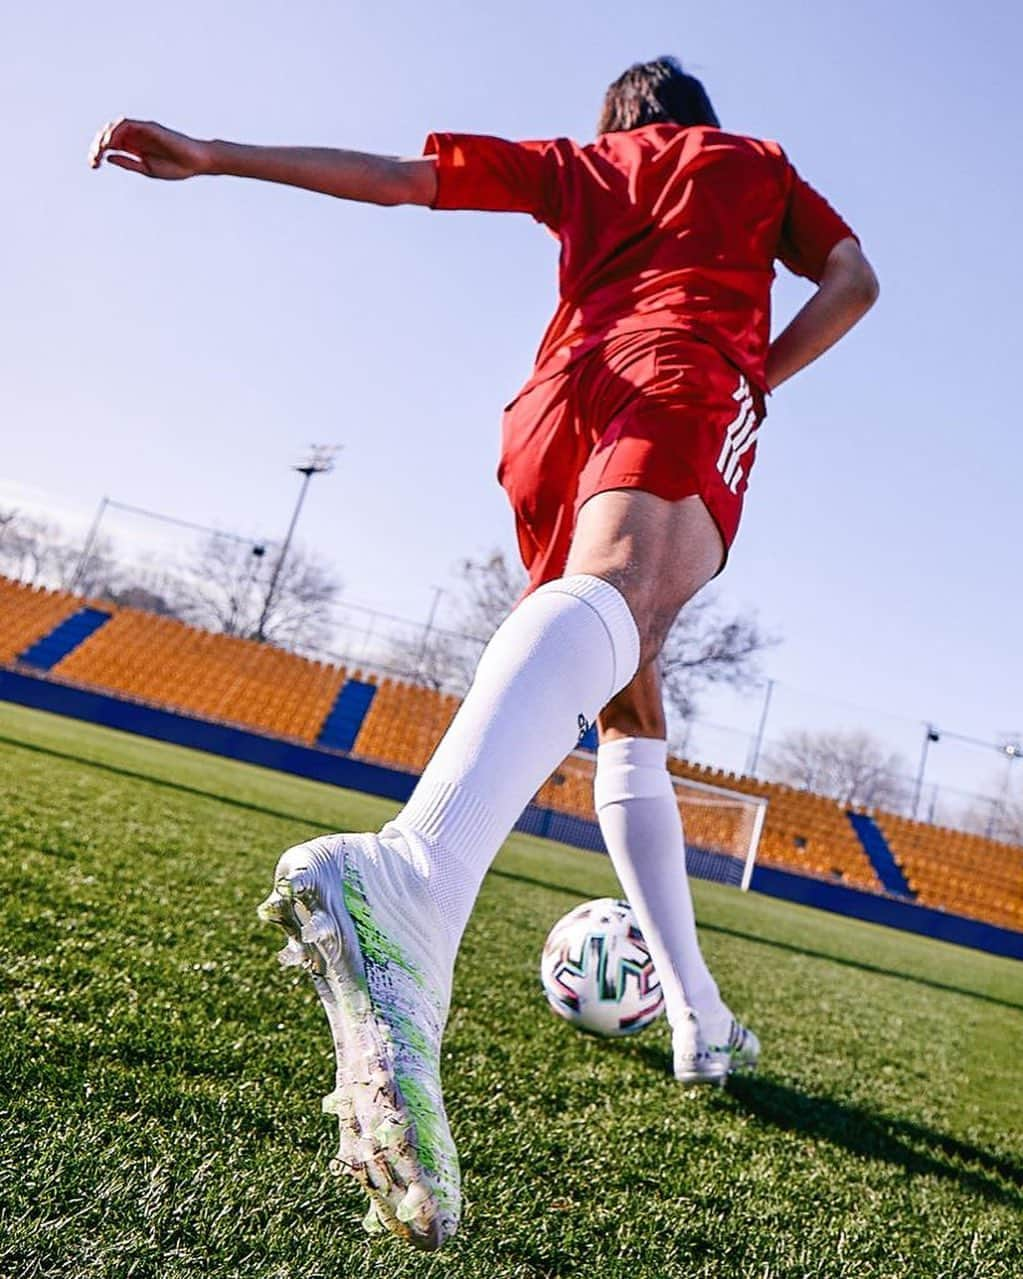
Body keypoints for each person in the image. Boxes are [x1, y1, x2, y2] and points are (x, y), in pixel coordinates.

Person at [90, 55, 877, 1252]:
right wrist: (755, 371)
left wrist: (216, 154)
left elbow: (405, 179)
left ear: (617, 122)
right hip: (680, 371)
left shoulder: (585, 165)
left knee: (626, 698)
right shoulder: (754, 164)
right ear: (701, 122)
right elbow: (854, 279)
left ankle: (699, 1016)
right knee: (630, 594)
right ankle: (415, 875)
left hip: (556, 408)